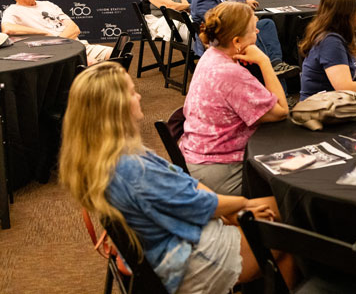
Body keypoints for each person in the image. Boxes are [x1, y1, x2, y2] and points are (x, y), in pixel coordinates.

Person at [58, 61, 294, 294]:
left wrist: (229, 210)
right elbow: (197, 203)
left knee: (274, 212)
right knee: (291, 221)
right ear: (114, 107)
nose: (138, 96)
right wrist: (243, 204)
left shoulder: (104, 157)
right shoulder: (131, 168)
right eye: (131, 93)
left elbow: (187, 188)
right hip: (186, 258)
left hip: (172, 241)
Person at [182, 2, 290, 195]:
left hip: (199, 156)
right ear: (237, 41)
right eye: (253, 29)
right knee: (291, 183)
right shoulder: (231, 73)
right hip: (221, 168)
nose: (258, 30)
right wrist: (264, 61)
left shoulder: (210, 55)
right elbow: (281, 111)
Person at [191, 0, 299, 79]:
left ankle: (276, 63)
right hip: (220, 37)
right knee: (252, 31)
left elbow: (224, 2)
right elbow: (223, 22)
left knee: (267, 24)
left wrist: (243, 0)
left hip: (228, 30)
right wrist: (247, 20)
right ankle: (272, 74)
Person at [1, 0, 111, 64]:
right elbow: (7, 28)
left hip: (79, 45)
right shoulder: (13, 11)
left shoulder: (48, 4)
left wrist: (58, 39)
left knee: (116, 54)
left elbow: (74, 28)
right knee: (93, 64)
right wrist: (44, 33)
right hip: (57, 53)